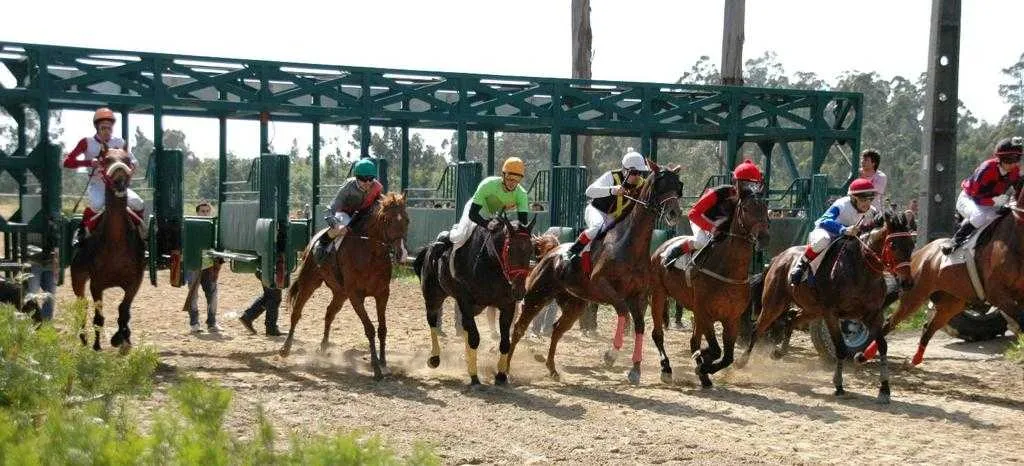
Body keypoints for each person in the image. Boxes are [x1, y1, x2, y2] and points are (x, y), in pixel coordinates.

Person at [661, 159, 765, 267]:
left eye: (753, 185)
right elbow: (693, 214)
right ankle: (674, 252)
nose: (749, 189)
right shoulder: (719, 192)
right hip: (701, 219)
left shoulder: (749, 201)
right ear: (737, 183)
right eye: (746, 184)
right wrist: (712, 228)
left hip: (722, 224)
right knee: (701, 241)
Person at [63, 107, 146, 241]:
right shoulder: (86, 142)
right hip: (98, 184)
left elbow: (133, 162)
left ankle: (140, 234)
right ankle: (81, 231)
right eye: (103, 128)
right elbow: (67, 162)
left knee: (138, 202)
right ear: (97, 128)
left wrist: (129, 173)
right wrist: (89, 163)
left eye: (109, 128)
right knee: (97, 204)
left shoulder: (119, 142)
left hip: (118, 183)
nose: (107, 131)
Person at [564, 148, 651, 265]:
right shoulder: (611, 176)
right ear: (625, 170)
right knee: (597, 226)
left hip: (614, 219)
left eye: (640, 173)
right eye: (634, 173)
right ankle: (572, 251)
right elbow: (589, 192)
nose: (637, 176)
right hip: (597, 211)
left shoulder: (642, 184)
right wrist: (612, 190)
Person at [943, 136, 1023, 254]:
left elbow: (1019, 189)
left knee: (1006, 215)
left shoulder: (1015, 171)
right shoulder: (986, 169)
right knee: (979, 216)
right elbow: (977, 197)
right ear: (1001, 158)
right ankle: (955, 241)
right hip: (969, 199)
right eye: (1010, 159)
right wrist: (995, 201)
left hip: (991, 202)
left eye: (1017, 159)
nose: (1014, 164)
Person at [790, 178, 878, 284]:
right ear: (853, 198)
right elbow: (824, 221)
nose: (868, 204)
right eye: (863, 200)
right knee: (823, 240)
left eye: (870, 199)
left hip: (849, 238)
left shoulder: (872, 211)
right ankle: (801, 266)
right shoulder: (842, 204)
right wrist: (843, 229)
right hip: (827, 231)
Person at [439, 156, 529, 252]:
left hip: (495, 215)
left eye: (517, 180)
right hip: (476, 211)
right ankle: (445, 236)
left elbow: (522, 224)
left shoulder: (522, 194)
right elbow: (473, 214)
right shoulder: (488, 184)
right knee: (460, 236)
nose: (513, 183)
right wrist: (487, 224)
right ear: (503, 175)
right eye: (510, 178)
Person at [313, 158, 383, 263]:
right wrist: (334, 223)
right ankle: (322, 244)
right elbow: (333, 206)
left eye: (371, 178)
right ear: (357, 177)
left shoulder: (377, 187)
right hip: (345, 213)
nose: (368, 182)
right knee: (343, 227)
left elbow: (381, 202)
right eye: (364, 179)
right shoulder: (348, 186)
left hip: (363, 214)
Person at [185, 201, 222, 333]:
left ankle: (212, 323)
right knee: (193, 295)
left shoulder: (215, 226)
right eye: (203, 211)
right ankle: (194, 323)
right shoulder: (189, 225)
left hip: (209, 265)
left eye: (207, 211)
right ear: (197, 212)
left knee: (212, 293)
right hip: (194, 265)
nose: (205, 213)